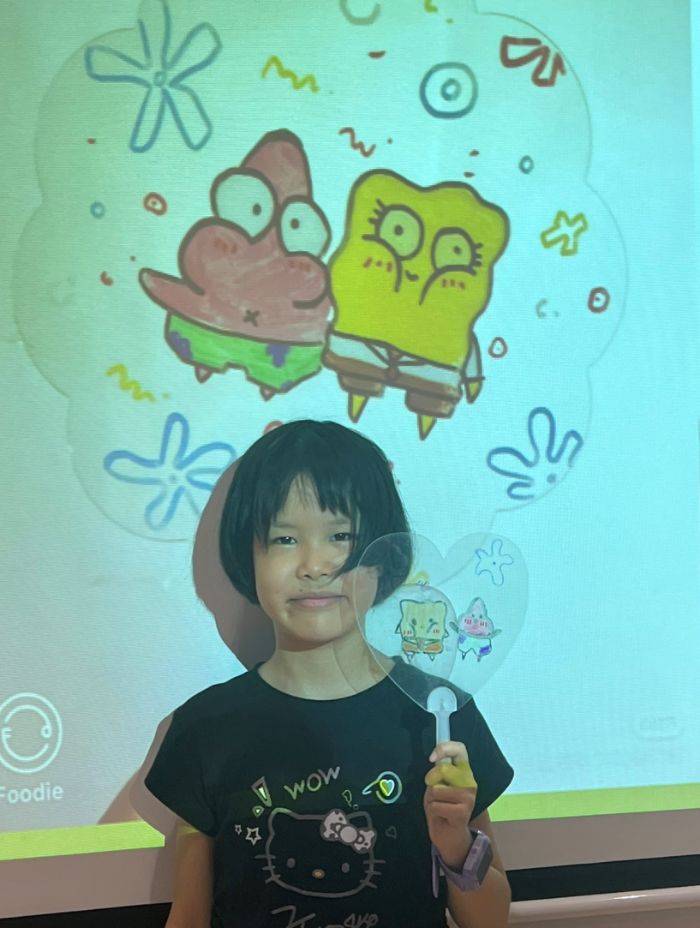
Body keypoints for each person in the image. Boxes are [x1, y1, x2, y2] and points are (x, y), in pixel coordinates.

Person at [145, 420, 513, 928]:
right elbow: (188, 915)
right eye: (283, 538)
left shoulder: (438, 711)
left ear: (383, 554)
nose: (314, 566)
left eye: (340, 536)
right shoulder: (205, 728)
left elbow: (489, 919)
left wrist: (456, 844)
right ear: (247, 554)